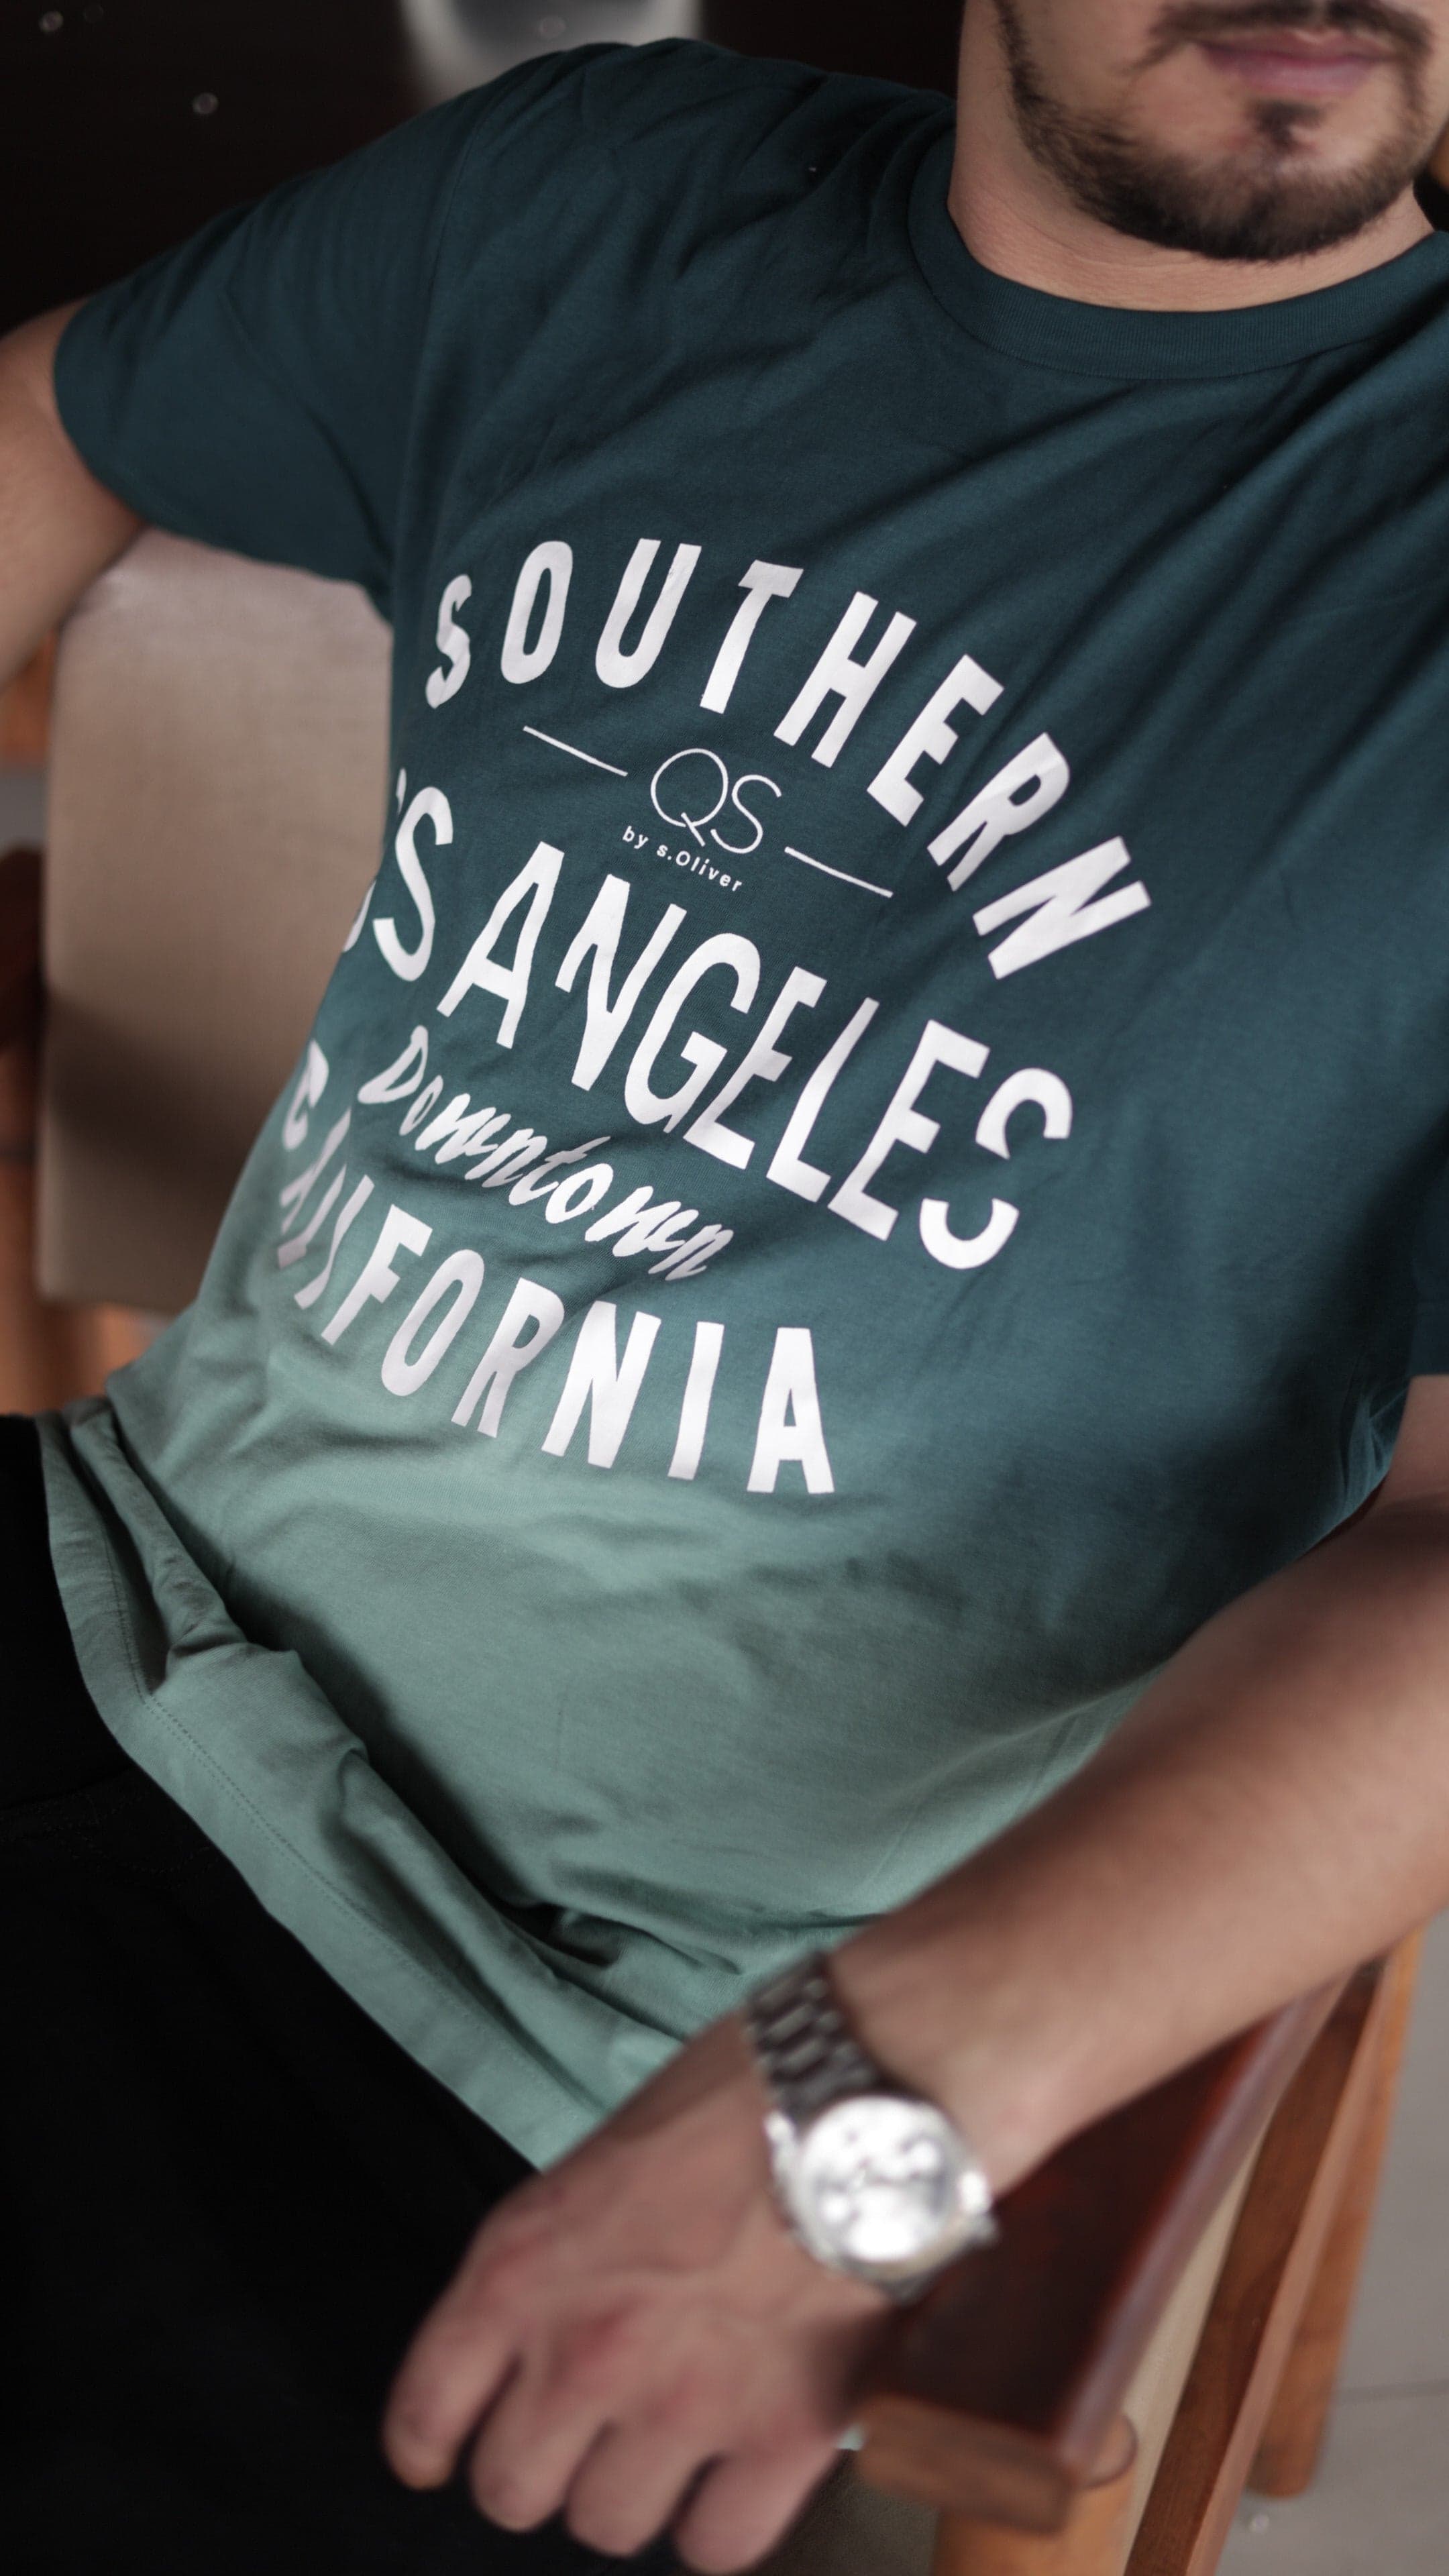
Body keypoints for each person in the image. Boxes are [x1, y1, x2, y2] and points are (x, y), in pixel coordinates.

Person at [5, 3, 1449, 2568]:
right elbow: (61, 428)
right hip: (103, 1600)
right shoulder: (592, 209)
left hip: (625, 2050)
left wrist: (847, 2116)